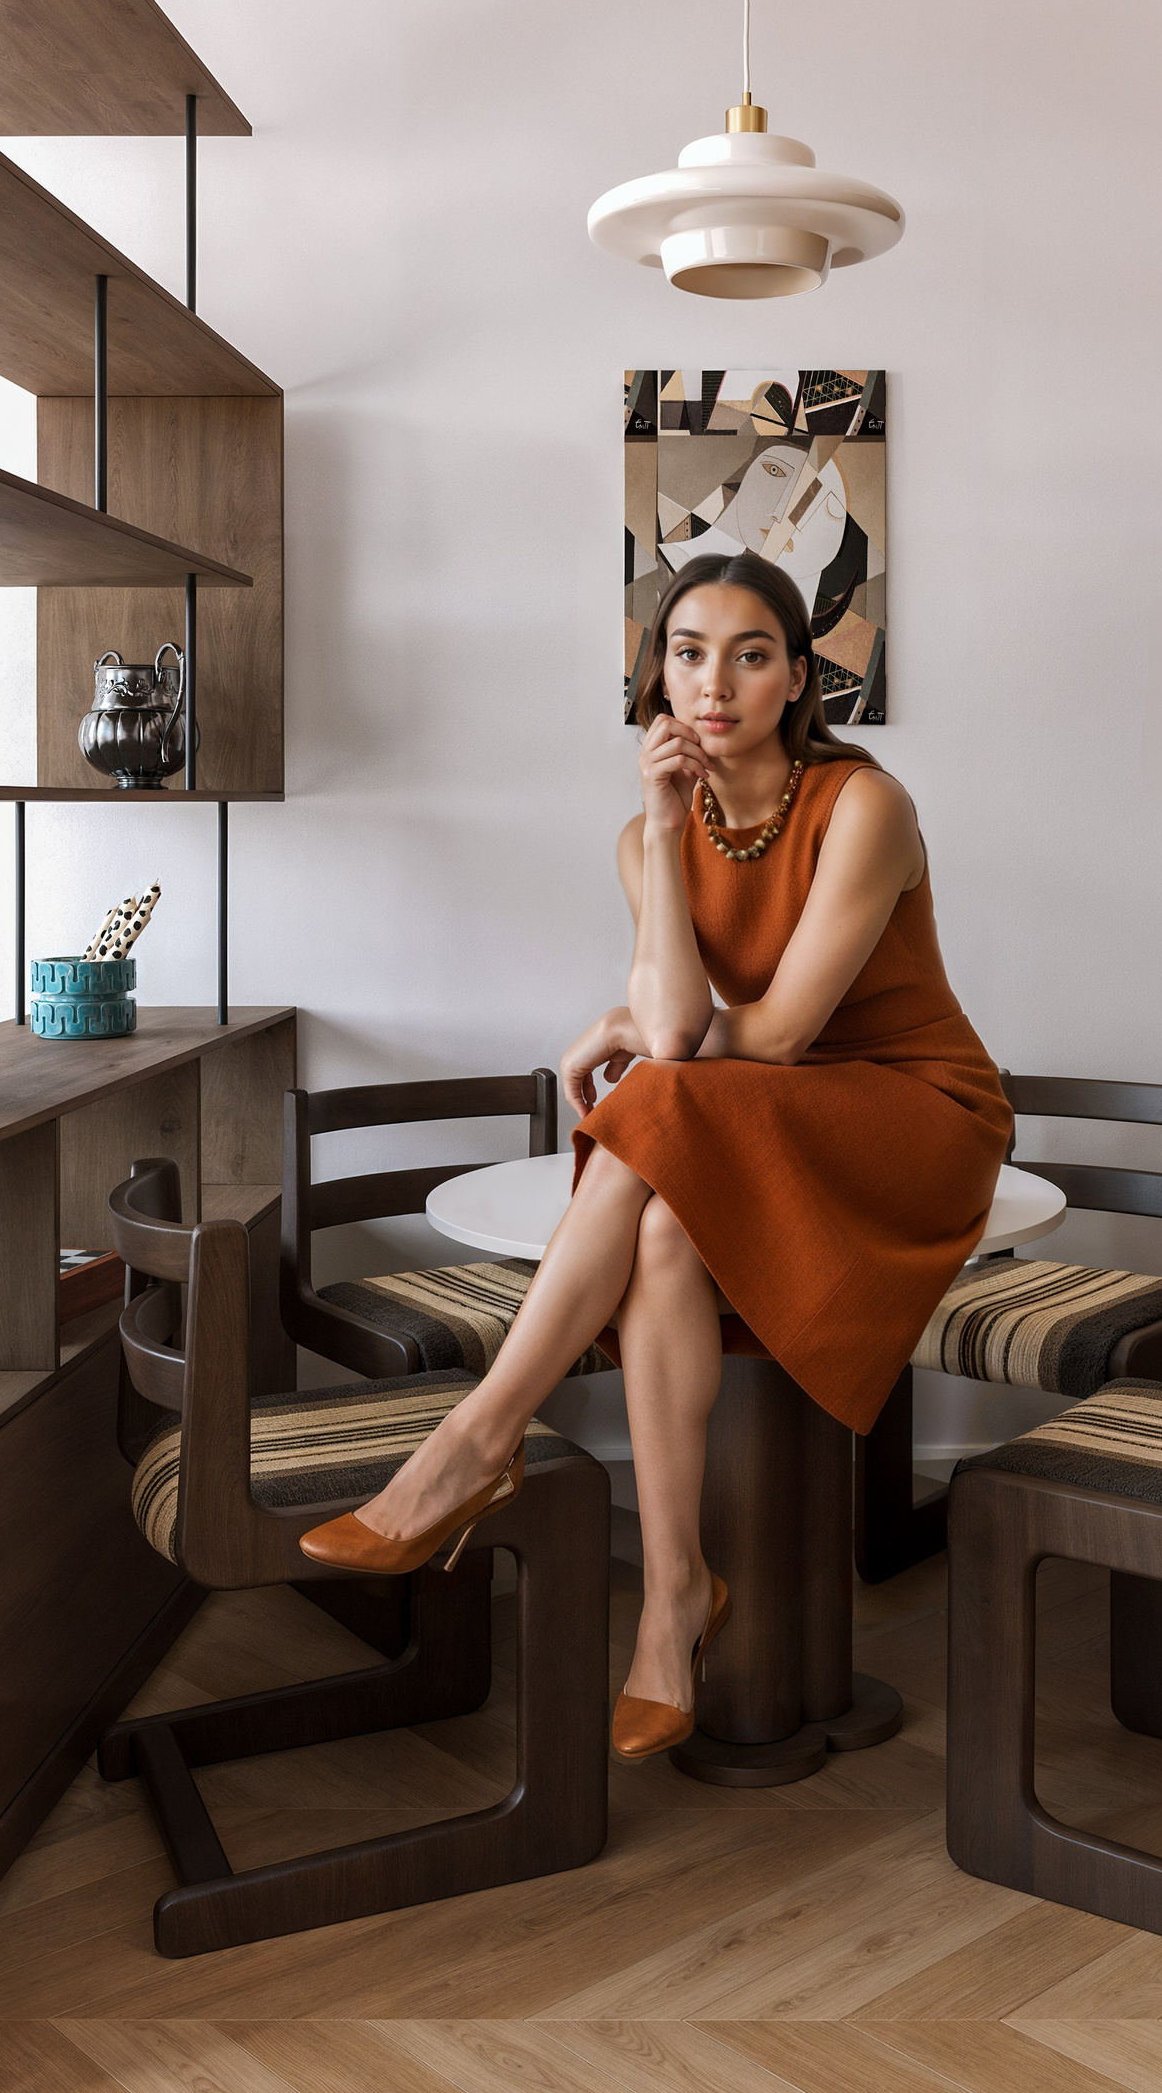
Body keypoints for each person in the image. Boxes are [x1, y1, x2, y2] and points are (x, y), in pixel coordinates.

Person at [301, 553, 1010, 1759]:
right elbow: (683, 1031)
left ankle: (478, 1439)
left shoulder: (865, 805)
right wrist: (672, 835)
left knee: (657, 1097)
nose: (715, 683)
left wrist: (626, 1030)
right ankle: (677, 1591)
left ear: (799, 677)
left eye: (751, 654)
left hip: (916, 1112)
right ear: (658, 678)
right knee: (669, 1224)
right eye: (689, 653)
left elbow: (774, 1036)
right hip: (768, 1109)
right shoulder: (645, 838)